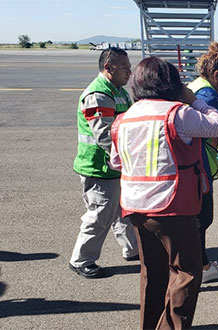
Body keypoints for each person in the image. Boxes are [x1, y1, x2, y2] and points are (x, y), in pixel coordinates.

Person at [109, 56, 218, 329]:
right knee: (187, 272)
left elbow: (117, 162)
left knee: (152, 273)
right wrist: (192, 99)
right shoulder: (178, 113)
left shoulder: (124, 118)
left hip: (136, 207)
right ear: (171, 83)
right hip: (172, 204)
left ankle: (149, 325)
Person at [69, 47, 138, 279]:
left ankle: (132, 249)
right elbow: (105, 136)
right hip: (99, 169)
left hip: (114, 169)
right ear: (108, 68)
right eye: (125, 68)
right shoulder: (99, 94)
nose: (130, 72)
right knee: (99, 215)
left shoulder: (118, 91)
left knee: (123, 213)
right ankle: (82, 259)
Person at [187, 42, 218, 283]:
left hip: (191, 161)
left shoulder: (195, 85)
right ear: (216, 75)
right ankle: (202, 268)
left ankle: (199, 263)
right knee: (202, 218)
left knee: (196, 218)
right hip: (200, 164)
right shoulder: (209, 96)